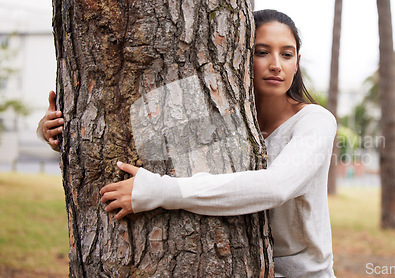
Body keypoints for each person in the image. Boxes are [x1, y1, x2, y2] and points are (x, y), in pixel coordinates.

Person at [38, 9, 337, 278]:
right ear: (242, 55)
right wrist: (58, 130)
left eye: (286, 54)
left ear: (297, 63)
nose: (276, 65)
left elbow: (276, 186)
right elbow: (140, 132)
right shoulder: (229, 120)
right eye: (262, 52)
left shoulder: (315, 122)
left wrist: (163, 191)